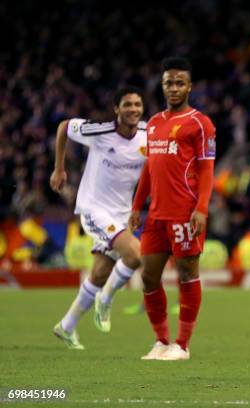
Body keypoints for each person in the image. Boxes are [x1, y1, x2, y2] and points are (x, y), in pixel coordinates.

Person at [130, 57, 215, 361]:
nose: (174, 88)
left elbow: (206, 170)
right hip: (156, 216)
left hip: (185, 212)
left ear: (189, 86)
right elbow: (149, 169)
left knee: (187, 274)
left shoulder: (200, 123)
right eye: (169, 83)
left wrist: (201, 208)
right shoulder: (152, 123)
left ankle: (183, 344)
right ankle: (161, 341)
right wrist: (137, 205)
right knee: (149, 277)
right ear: (162, 85)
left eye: (180, 82)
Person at [51, 86, 147, 349]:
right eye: (127, 104)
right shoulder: (100, 131)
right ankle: (105, 301)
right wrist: (59, 169)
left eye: (137, 104)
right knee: (136, 255)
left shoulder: (148, 135)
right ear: (117, 109)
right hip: (94, 210)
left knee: (101, 272)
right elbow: (64, 127)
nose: (133, 109)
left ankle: (66, 326)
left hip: (122, 215)